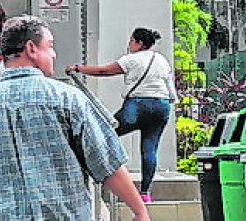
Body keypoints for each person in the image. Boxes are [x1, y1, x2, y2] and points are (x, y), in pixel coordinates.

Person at [0, 15, 150, 221]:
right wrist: (139, 211)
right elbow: (107, 162)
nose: (54, 53)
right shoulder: (67, 98)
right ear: (31, 49)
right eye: (49, 46)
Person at [67, 27, 176, 203]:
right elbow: (170, 86)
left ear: (140, 43)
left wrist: (78, 68)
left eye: (131, 41)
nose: (129, 44)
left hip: (137, 106)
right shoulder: (161, 60)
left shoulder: (131, 60)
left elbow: (104, 71)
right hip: (161, 106)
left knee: (105, 133)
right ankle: (145, 193)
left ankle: (96, 172)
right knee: (150, 148)